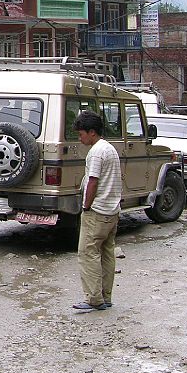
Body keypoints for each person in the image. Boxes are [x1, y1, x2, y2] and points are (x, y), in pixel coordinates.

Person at [72, 110, 122, 313]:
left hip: (97, 211)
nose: (80, 137)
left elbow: (93, 181)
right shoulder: (110, 149)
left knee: (87, 252)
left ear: (92, 132)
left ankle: (94, 298)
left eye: (81, 133)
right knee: (107, 253)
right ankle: (106, 296)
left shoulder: (95, 152)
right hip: (112, 210)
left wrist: (86, 206)